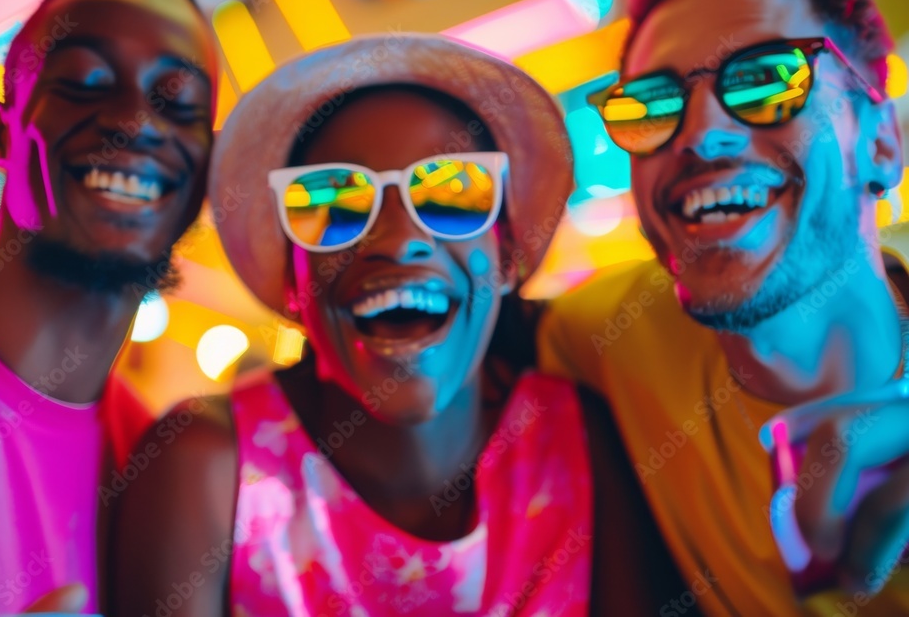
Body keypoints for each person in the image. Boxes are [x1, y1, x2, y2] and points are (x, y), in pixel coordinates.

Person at [111, 34, 592, 616]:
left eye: (452, 193)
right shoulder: (208, 467)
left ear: (509, 252)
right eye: (333, 205)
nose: (398, 240)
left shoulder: (582, 442)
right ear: (291, 279)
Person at [539, 0, 909, 614]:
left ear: (881, 142)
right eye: (653, 104)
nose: (700, 133)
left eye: (767, 79)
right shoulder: (606, 335)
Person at [0, 0, 217, 614]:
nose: (134, 120)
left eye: (178, 101)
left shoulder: (163, 473)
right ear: (2, 128)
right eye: (83, 80)